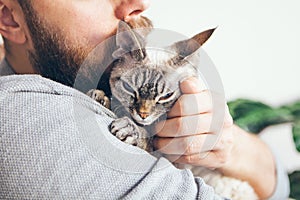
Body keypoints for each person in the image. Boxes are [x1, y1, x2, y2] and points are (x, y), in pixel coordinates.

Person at [0, 0, 289, 199]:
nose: (139, 2)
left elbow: (279, 186)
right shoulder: (22, 120)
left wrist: (229, 146)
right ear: (10, 18)